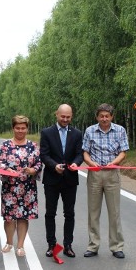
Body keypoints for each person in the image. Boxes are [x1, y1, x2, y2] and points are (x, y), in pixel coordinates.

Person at [82, 103, 129, 259]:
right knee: (93, 212)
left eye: (107, 116)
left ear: (111, 117)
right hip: (95, 174)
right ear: (97, 117)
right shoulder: (89, 131)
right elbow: (85, 153)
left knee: (114, 212)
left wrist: (114, 162)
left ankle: (116, 247)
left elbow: (123, 153)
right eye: (101, 116)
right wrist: (90, 163)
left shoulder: (120, 130)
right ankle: (93, 245)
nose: (104, 119)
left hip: (112, 174)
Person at [40, 103, 83, 258]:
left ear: (71, 116)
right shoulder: (46, 132)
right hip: (52, 178)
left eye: (68, 117)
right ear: (56, 114)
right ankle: (51, 245)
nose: (65, 119)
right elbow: (44, 154)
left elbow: (80, 154)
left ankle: (68, 245)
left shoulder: (77, 133)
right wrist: (54, 166)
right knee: (50, 213)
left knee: (69, 213)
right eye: (62, 116)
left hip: (70, 179)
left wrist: (76, 163)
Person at [0, 115, 42, 257]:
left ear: (27, 129)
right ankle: (9, 242)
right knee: (9, 217)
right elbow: (0, 161)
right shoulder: (5, 145)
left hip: (27, 187)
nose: (20, 131)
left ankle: (20, 245)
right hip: (10, 187)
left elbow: (39, 162)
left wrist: (34, 170)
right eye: (17, 128)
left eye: (23, 128)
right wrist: (6, 169)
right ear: (13, 128)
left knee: (23, 217)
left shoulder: (33, 146)